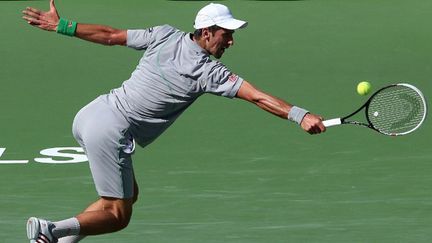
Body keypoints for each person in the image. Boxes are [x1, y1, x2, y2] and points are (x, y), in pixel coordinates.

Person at [22, 1, 326, 242]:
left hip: (91, 114)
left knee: (125, 197)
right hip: (111, 131)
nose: (231, 42)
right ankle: (50, 230)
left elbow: (111, 35)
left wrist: (62, 25)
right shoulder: (210, 72)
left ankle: (56, 241)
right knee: (118, 215)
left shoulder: (165, 34)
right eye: (226, 33)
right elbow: (257, 97)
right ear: (206, 32)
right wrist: (300, 115)